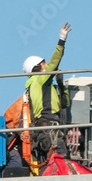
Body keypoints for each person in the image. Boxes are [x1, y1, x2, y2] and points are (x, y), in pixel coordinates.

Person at [23, 23, 72, 161]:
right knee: (62, 163)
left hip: (45, 131)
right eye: (44, 64)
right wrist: (62, 40)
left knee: (50, 165)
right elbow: (54, 63)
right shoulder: (39, 80)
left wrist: (61, 84)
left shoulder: (40, 86)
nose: (47, 66)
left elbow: (64, 103)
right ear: (38, 68)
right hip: (49, 130)